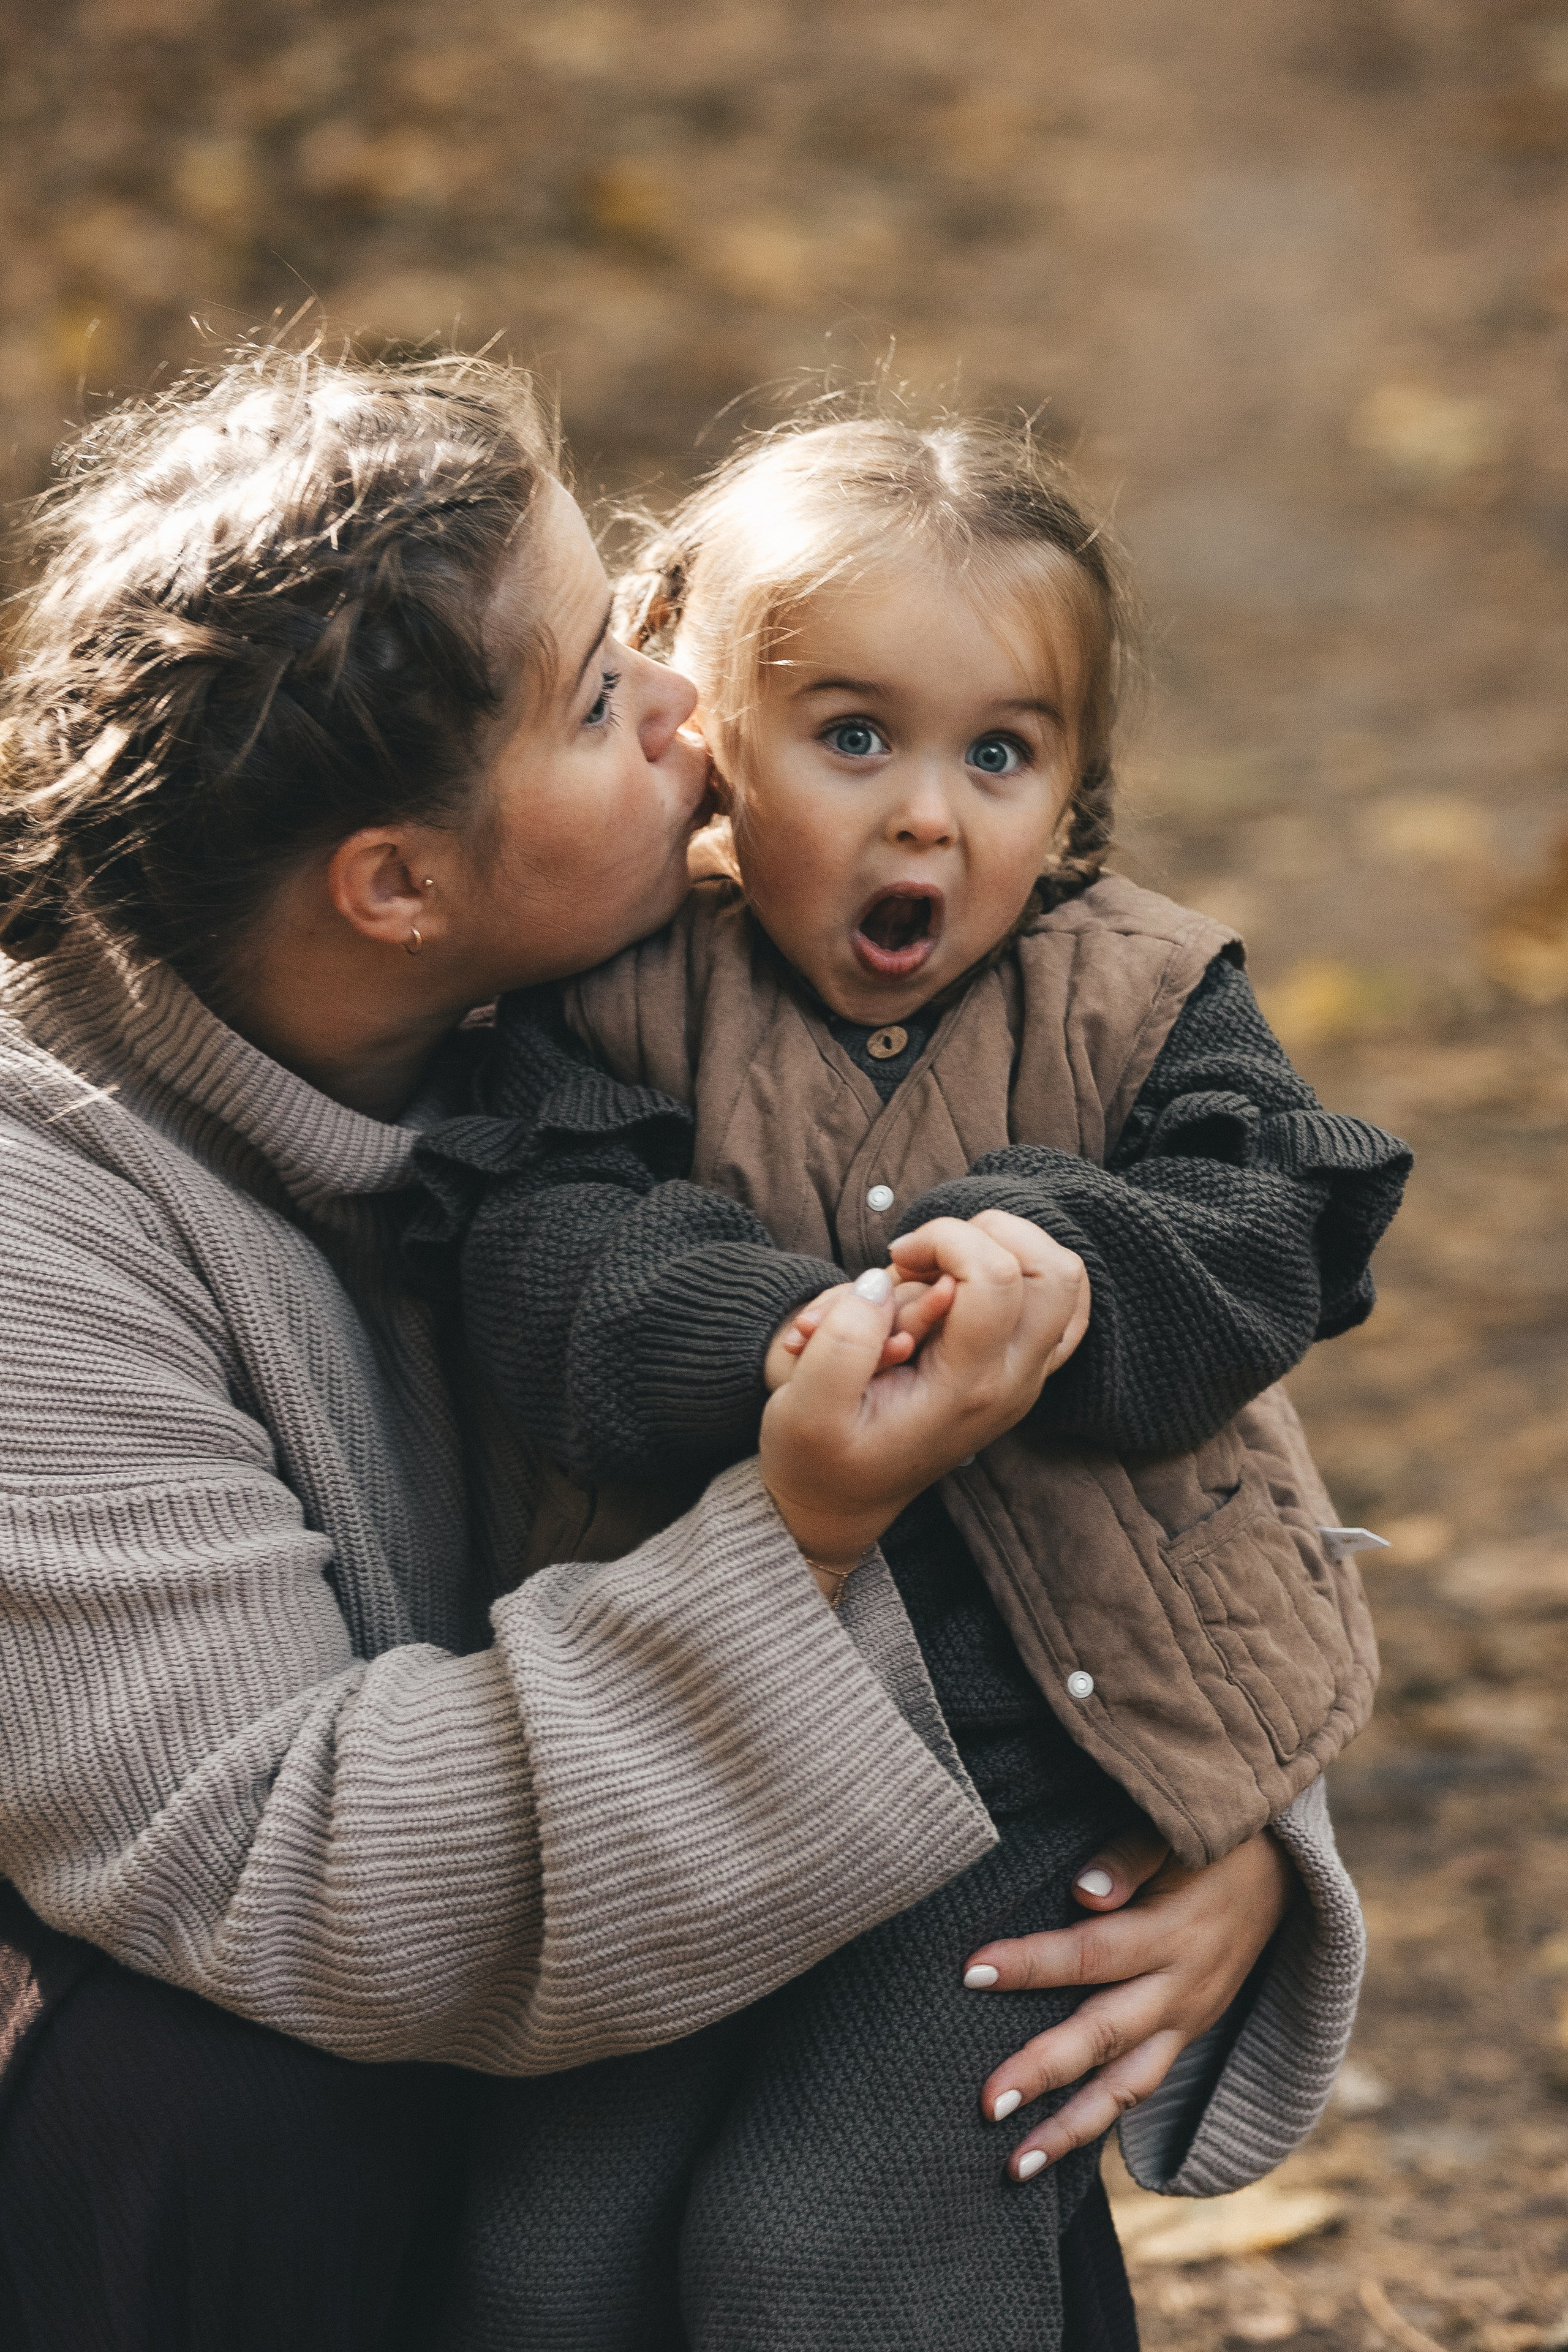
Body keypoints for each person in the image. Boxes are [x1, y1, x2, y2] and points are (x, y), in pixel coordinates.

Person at [407, 413, 1409, 2350]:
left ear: (1076, 785)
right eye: (852, 736)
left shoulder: (1141, 990)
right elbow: (543, 1259)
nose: (927, 818)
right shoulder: (603, 999)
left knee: (842, 2237)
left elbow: (1261, 1226)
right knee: (549, 2245)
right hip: (695, 1742)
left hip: (1031, 1756)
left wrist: (1066, 1257)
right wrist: (760, 1328)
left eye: (1000, 754)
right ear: (706, 729)